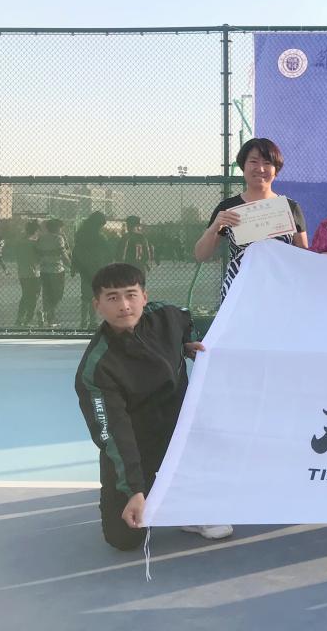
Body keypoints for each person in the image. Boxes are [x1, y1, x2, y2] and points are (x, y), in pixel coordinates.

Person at [75, 262, 232, 550]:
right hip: (138, 443)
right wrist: (133, 490)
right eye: (112, 297)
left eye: (131, 294)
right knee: (124, 539)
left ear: (144, 297)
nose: (124, 305)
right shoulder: (97, 368)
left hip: (180, 434)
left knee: (214, 439)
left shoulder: (167, 315)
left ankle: (191, 506)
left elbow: (186, 321)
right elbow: (114, 436)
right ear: (98, 305)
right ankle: (140, 493)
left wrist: (187, 343)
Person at [194, 138, 308, 302]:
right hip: (239, 291)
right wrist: (214, 228)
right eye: (253, 161)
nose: (260, 168)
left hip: (280, 292)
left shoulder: (290, 207)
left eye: (267, 163)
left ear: (276, 169)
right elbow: (201, 255)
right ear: (243, 166)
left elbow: (303, 255)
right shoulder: (228, 208)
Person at [72, 212, 114, 329]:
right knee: (94, 295)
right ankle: (92, 320)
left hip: (84, 268)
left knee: (85, 295)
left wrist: (74, 265)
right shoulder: (100, 237)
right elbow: (108, 252)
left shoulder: (81, 234)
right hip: (97, 268)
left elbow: (76, 250)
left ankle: (84, 321)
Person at [37, 218, 70, 326]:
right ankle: (50, 317)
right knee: (57, 294)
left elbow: (39, 253)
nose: (62, 230)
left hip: (44, 270)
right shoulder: (58, 238)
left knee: (46, 294)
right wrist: (71, 265)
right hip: (57, 270)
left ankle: (46, 315)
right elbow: (63, 255)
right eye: (60, 228)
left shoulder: (41, 238)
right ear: (57, 228)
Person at [15, 221, 44, 326]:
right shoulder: (35, 244)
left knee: (26, 295)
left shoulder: (20, 243)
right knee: (35, 296)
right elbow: (39, 259)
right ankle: (30, 318)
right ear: (35, 231)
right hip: (33, 274)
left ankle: (20, 318)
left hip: (22, 273)